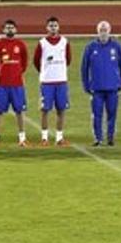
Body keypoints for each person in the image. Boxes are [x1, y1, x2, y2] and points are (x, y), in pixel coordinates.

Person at [81, 20, 121, 147]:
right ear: (97, 32)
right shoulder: (90, 47)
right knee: (97, 114)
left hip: (112, 87)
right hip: (96, 88)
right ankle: (98, 138)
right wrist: (86, 84)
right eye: (101, 30)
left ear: (109, 31)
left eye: (105, 30)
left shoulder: (116, 46)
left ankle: (110, 138)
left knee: (112, 114)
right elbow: (84, 68)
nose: (103, 33)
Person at [0, 19, 30, 148]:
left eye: (12, 27)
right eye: (7, 28)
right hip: (2, 85)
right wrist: (0, 74)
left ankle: (22, 139)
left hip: (17, 84)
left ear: (16, 29)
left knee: (20, 111)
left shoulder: (21, 44)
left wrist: (17, 73)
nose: (10, 29)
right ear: (3, 30)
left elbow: (24, 63)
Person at [34, 16, 71, 146]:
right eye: (51, 26)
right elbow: (36, 61)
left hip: (61, 81)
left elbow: (68, 60)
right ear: (47, 27)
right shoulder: (42, 43)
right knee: (45, 110)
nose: (53, 28)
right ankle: (44, 138)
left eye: (55, 25)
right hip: (47, 82)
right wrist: (45, 72)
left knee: (61, 110)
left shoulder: (64, 42)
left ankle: (59, 138)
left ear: (58, 27)